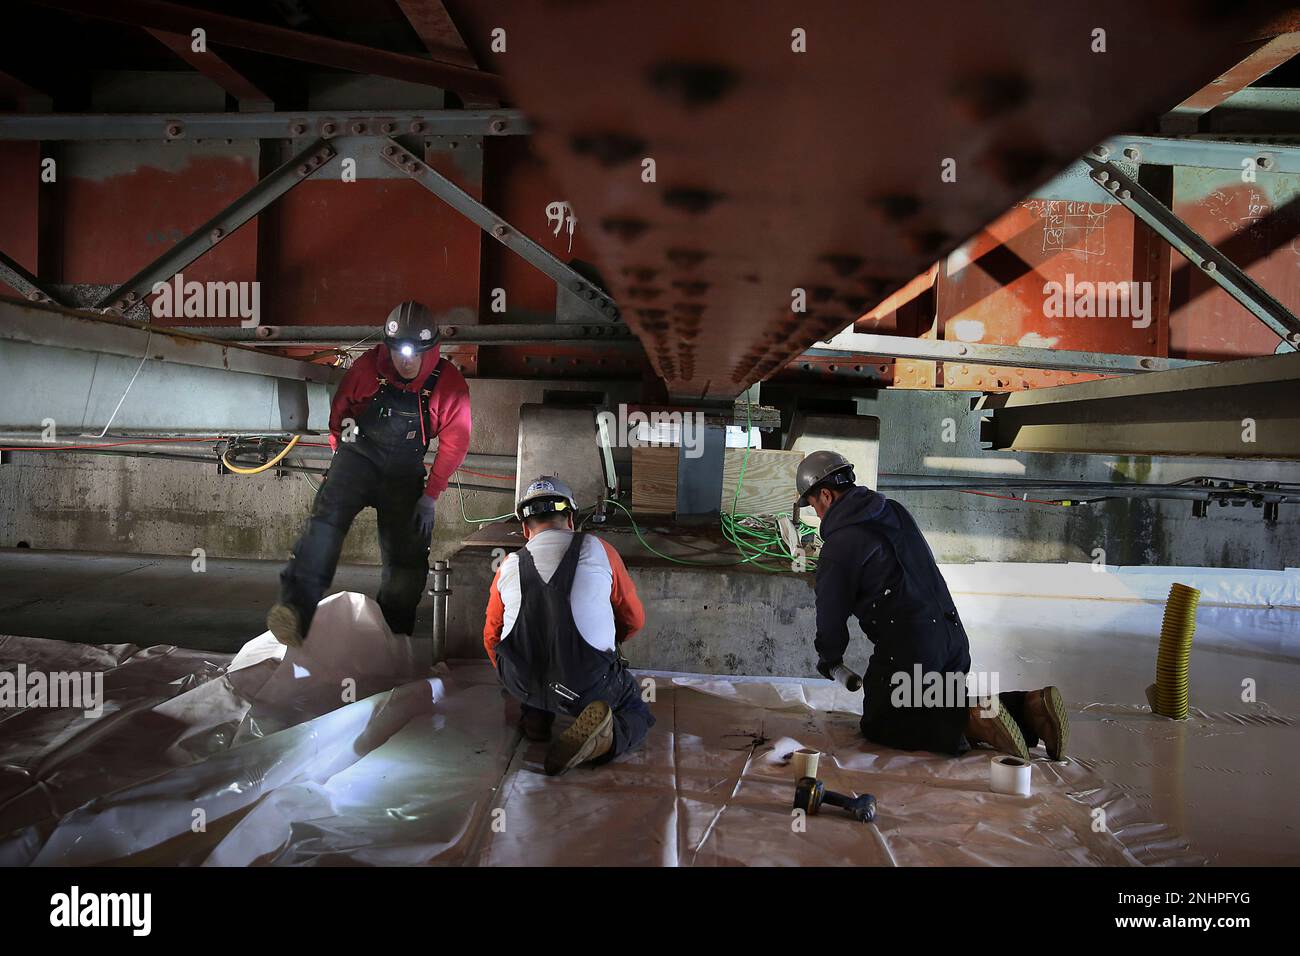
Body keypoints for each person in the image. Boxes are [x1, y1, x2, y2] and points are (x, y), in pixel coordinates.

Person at [797, 450, 1068, 762]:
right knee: (936, 700)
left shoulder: (839, 545)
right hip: (951, 638)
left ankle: (970, 721)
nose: (816, 514)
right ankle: (1030, 707)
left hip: (911, 646)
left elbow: (830, 613)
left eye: (814, 504)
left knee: (883, 716)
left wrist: (829, 656)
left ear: (827, 495)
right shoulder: (895, 512)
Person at [267, 301, 471, 645]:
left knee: (407, 554)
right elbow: (341, 412)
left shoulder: (449, 386)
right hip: (358, 457)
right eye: (397, 351)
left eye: (413, 353)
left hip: (404, 473)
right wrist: (340, 457)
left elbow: (456, 442)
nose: (404, 361)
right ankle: (295, 609)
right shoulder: (367, 368)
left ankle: (393, 634)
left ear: (430, 349)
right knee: (327, 521)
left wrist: (430, 496)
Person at [483, 476, 654, 775]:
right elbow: (633, 619)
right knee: (635, 708)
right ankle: (607, 740)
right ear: (571, 519)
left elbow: (492, 637)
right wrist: (611, 648)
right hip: (587, 683)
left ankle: (536, 716)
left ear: (525, 529)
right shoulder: (601, 550)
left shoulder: (508, 564)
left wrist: (515, 676)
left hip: (522, 682)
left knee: (532, 657)